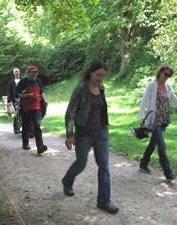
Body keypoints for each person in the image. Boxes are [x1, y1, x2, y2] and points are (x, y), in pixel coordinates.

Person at [62, 60, 119, 214]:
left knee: (104, 167)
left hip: (101, 133)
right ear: (90, 73)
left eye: (103, 76)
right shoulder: (81, 88)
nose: (100, 78)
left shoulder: (101, 88)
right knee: (81, 164)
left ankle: (104, 201)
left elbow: (101, 109)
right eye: (98, 75)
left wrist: (104, 126)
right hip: (84, 133)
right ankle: (67, 181)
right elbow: (70, 111)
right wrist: (70, 135)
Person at [139, 64, 177, 180]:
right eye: (166, 74)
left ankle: (143, 164)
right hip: (154, 120)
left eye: (169, 75)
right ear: (160, 72)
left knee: (153, 143)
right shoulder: (152, 86)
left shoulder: (168, 87)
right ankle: (168, 173)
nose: (167, 77)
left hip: (164, 119)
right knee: (162, 146)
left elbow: (176, 101)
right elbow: (143, 102)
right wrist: (141, 117)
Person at [15, 66, 48, 154]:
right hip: (25, 108)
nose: (35, 74)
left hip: (37, 108)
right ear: (28, 72)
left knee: (37, 126)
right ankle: (25, 143)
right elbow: (17, 94)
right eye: (33, 72)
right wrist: (28, 95)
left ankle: (40, 147)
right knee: (25, 126)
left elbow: (41, 92)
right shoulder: (23, 81)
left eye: (36, 72)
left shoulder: (38, 81)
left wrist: (45, 100)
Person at [7, 67, 21, 134]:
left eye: (17, 71)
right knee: (16, 114)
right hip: (15, 100)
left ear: (19, 72)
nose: (16, 73)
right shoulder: (11, 82)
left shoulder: (23, 80)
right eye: (15, 72)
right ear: (13, 73)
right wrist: (9, 101)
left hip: (23, 99)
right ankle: (16, 128)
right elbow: (9, 92)